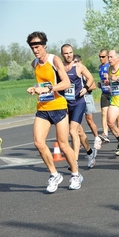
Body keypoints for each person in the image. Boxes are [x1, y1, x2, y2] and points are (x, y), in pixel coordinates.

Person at [26, 31, 84, 193]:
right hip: (43, 109)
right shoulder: (35, 63)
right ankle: (54, 174)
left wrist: (48, 88)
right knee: (38, 142)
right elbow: (41, 82)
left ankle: (75, 174)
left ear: (44, 45)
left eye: (37, 46)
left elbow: (65, 83)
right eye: (32, 47)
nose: (35, 50)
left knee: (64, 145)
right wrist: (35, 88)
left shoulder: (54, 60)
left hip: (58, 106)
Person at [61, 44, 97, 168]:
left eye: (70, 52)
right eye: (66, 53)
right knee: (79, 131)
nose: (69, 55)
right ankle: (90, 153)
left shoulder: (79, 67)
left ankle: (74, 162)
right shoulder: (59, 67)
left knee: (72, 131)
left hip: (78, 103)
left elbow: (91, 78)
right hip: (66, 104)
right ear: (62, 55)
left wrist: (86, 88)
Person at [73, 54, 102, 150]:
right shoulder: (72, 74)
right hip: (77, 99)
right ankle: (79, 141)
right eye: (74, 62)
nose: (75, 64)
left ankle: (97, 137)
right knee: (76, 122)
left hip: (87, 97)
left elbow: (93, 86)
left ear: (80, 62)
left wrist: (85, 88)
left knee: (89, 120)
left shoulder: (84, 74)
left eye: (76, 62)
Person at [97, 49, 111, 143]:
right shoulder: (100, 67)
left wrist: (109, 80)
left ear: (107, 56)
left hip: (113, 93)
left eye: (103, 56)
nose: (101, 58)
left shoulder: (110, 66)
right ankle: (105, 133)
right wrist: (100, 84)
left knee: (118, 117)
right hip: (104, 92)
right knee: (103, 112)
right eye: (100, 56)